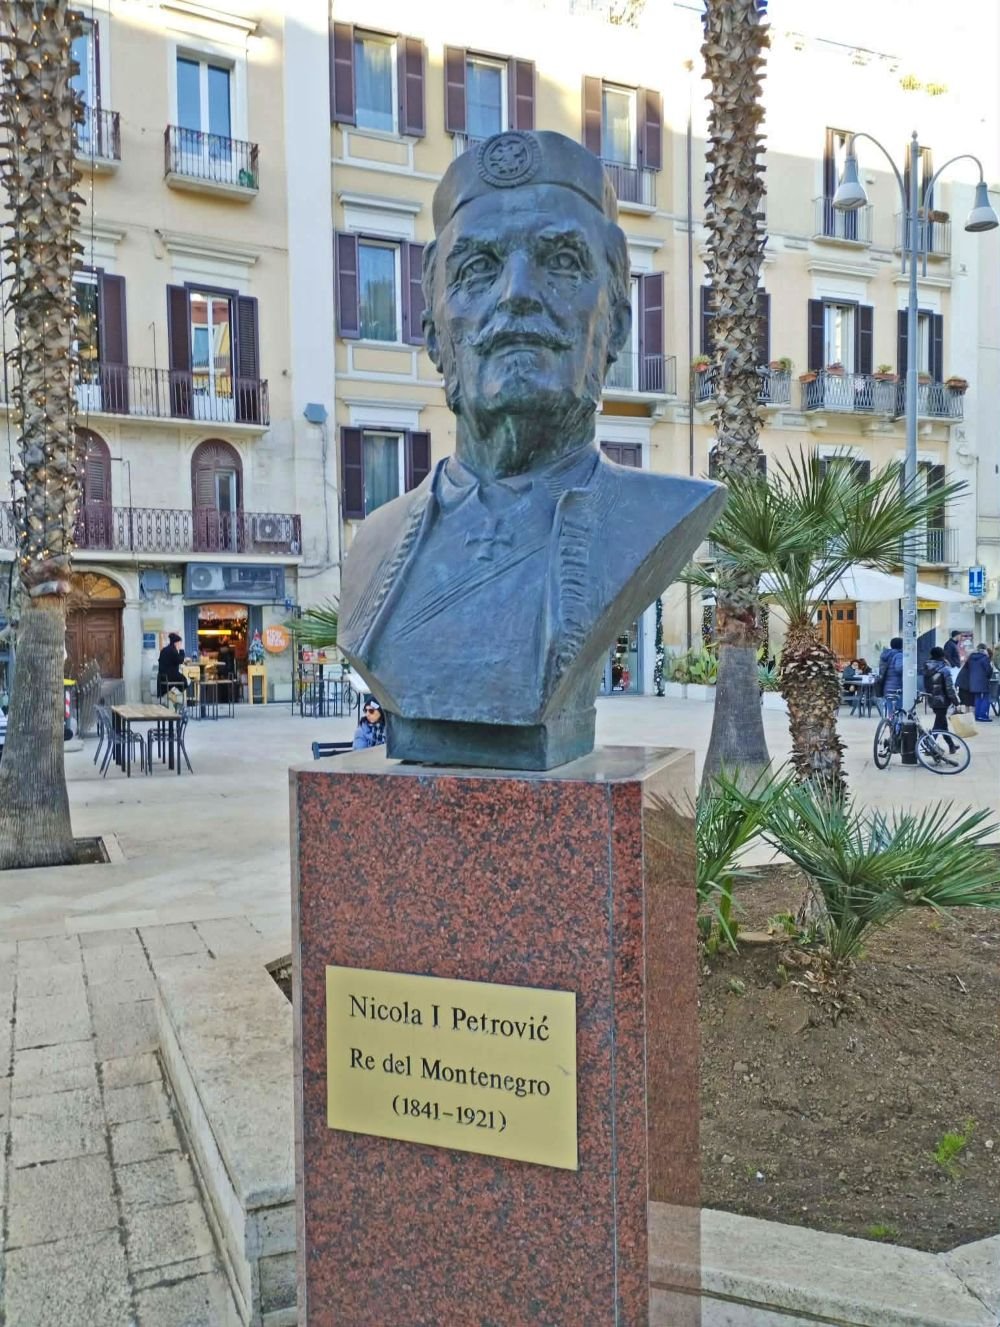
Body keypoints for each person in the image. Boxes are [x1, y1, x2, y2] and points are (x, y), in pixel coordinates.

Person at [337, 130, 724, 770]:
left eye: (562, 263)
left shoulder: (661, 514)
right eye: (478, 269)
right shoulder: (377, 541)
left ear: (616, 325)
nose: (517, 292)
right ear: (434, 331)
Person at [922, 646, 960, 749]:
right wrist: (956, 702)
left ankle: (951, 745)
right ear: (942, 655)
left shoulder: (926, 667)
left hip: (932, 699)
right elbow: (949, 688)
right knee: (939, 724)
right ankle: (930, 744)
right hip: (943, 700)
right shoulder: (945, 669)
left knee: (942, 723)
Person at [966, 642, 993, 722]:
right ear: (984, 650)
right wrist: (989, 676)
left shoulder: (971, 658)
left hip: (973, 681)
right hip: (983, 681)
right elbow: (988, 670)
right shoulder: (985, 658)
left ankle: (977, 715)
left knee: (977, 698)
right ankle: (983, 715)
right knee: (985, 698)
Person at [877, 636, 904, 713]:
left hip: (887, 686)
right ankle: (897, 725)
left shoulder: (886, 655)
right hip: (897, 686)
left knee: (890, 710)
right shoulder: (899, 655)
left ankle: (889, 722)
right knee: (899, 710)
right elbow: (899, 669)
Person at [157, 632, 187, 698]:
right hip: (170, 677)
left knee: (181, 679)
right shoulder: (173, 650)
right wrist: (181, 651)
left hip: (162, 677)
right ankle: (172, 694)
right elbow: (180, 660)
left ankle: (172, 693)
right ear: (176, 643)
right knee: (185, 681)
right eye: (180, 643)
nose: (180, 645)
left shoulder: (164, 650)